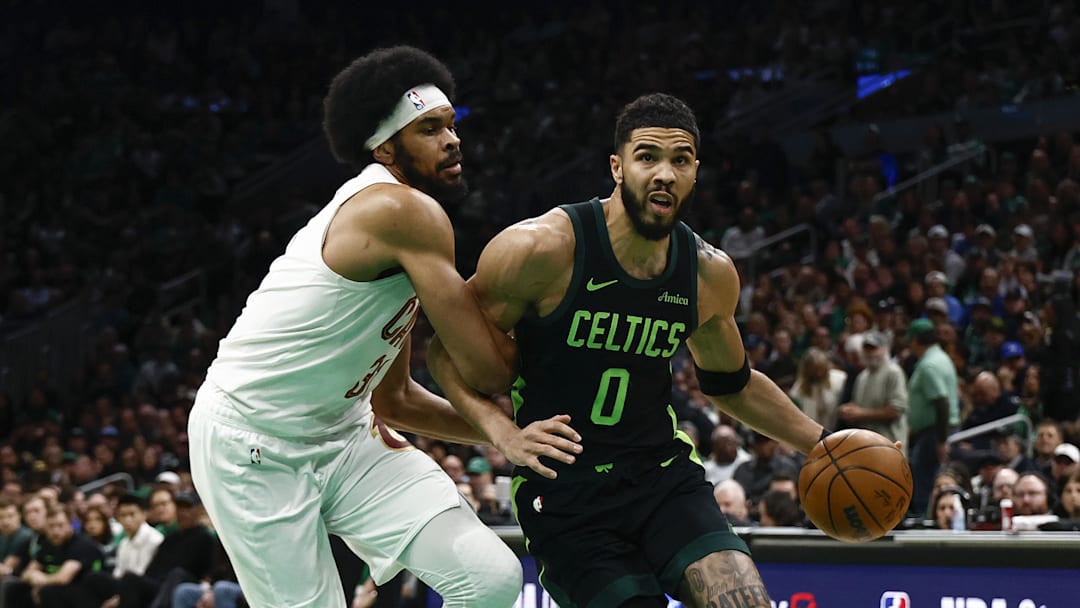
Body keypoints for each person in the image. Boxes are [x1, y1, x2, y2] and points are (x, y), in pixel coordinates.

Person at [188, 46, 576, 608]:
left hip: (344, 436)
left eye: (451, 125)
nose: (452, 139)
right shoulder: (400, 212)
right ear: (386, 147)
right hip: (252, 444)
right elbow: (488, 367)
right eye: (429, 130)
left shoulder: (407, 230)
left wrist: (505, 436)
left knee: (488, 580)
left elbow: (393, 401)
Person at [429, 93, 830, 607]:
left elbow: (732, 385)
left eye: (680, 160)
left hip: (660, 477)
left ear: (695, 174)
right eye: (648, 157)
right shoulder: (541, 250)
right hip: (567, 495)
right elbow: (444, 352)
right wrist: (502, 435)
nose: (664, 173)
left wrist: (824, 444)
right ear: (617, 167)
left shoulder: (707, 273)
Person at [905, 318, 959, 515]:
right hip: (935, 432)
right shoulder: (941, 358)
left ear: (915, 340)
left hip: (934, 434)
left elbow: (941, 401)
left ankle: (923, 524)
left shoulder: (929, 365)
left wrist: (942, 440)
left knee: (925, 487)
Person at [837, 331, 909, 452]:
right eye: (866, 349)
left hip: (890, 445)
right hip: (866, 446)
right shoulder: (862, 376)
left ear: (884, 349)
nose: (870, 353)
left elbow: (895, 411)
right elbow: (858, 407)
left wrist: (861, 413)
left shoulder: (893, 372)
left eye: (874, 348)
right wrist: (849, 411)